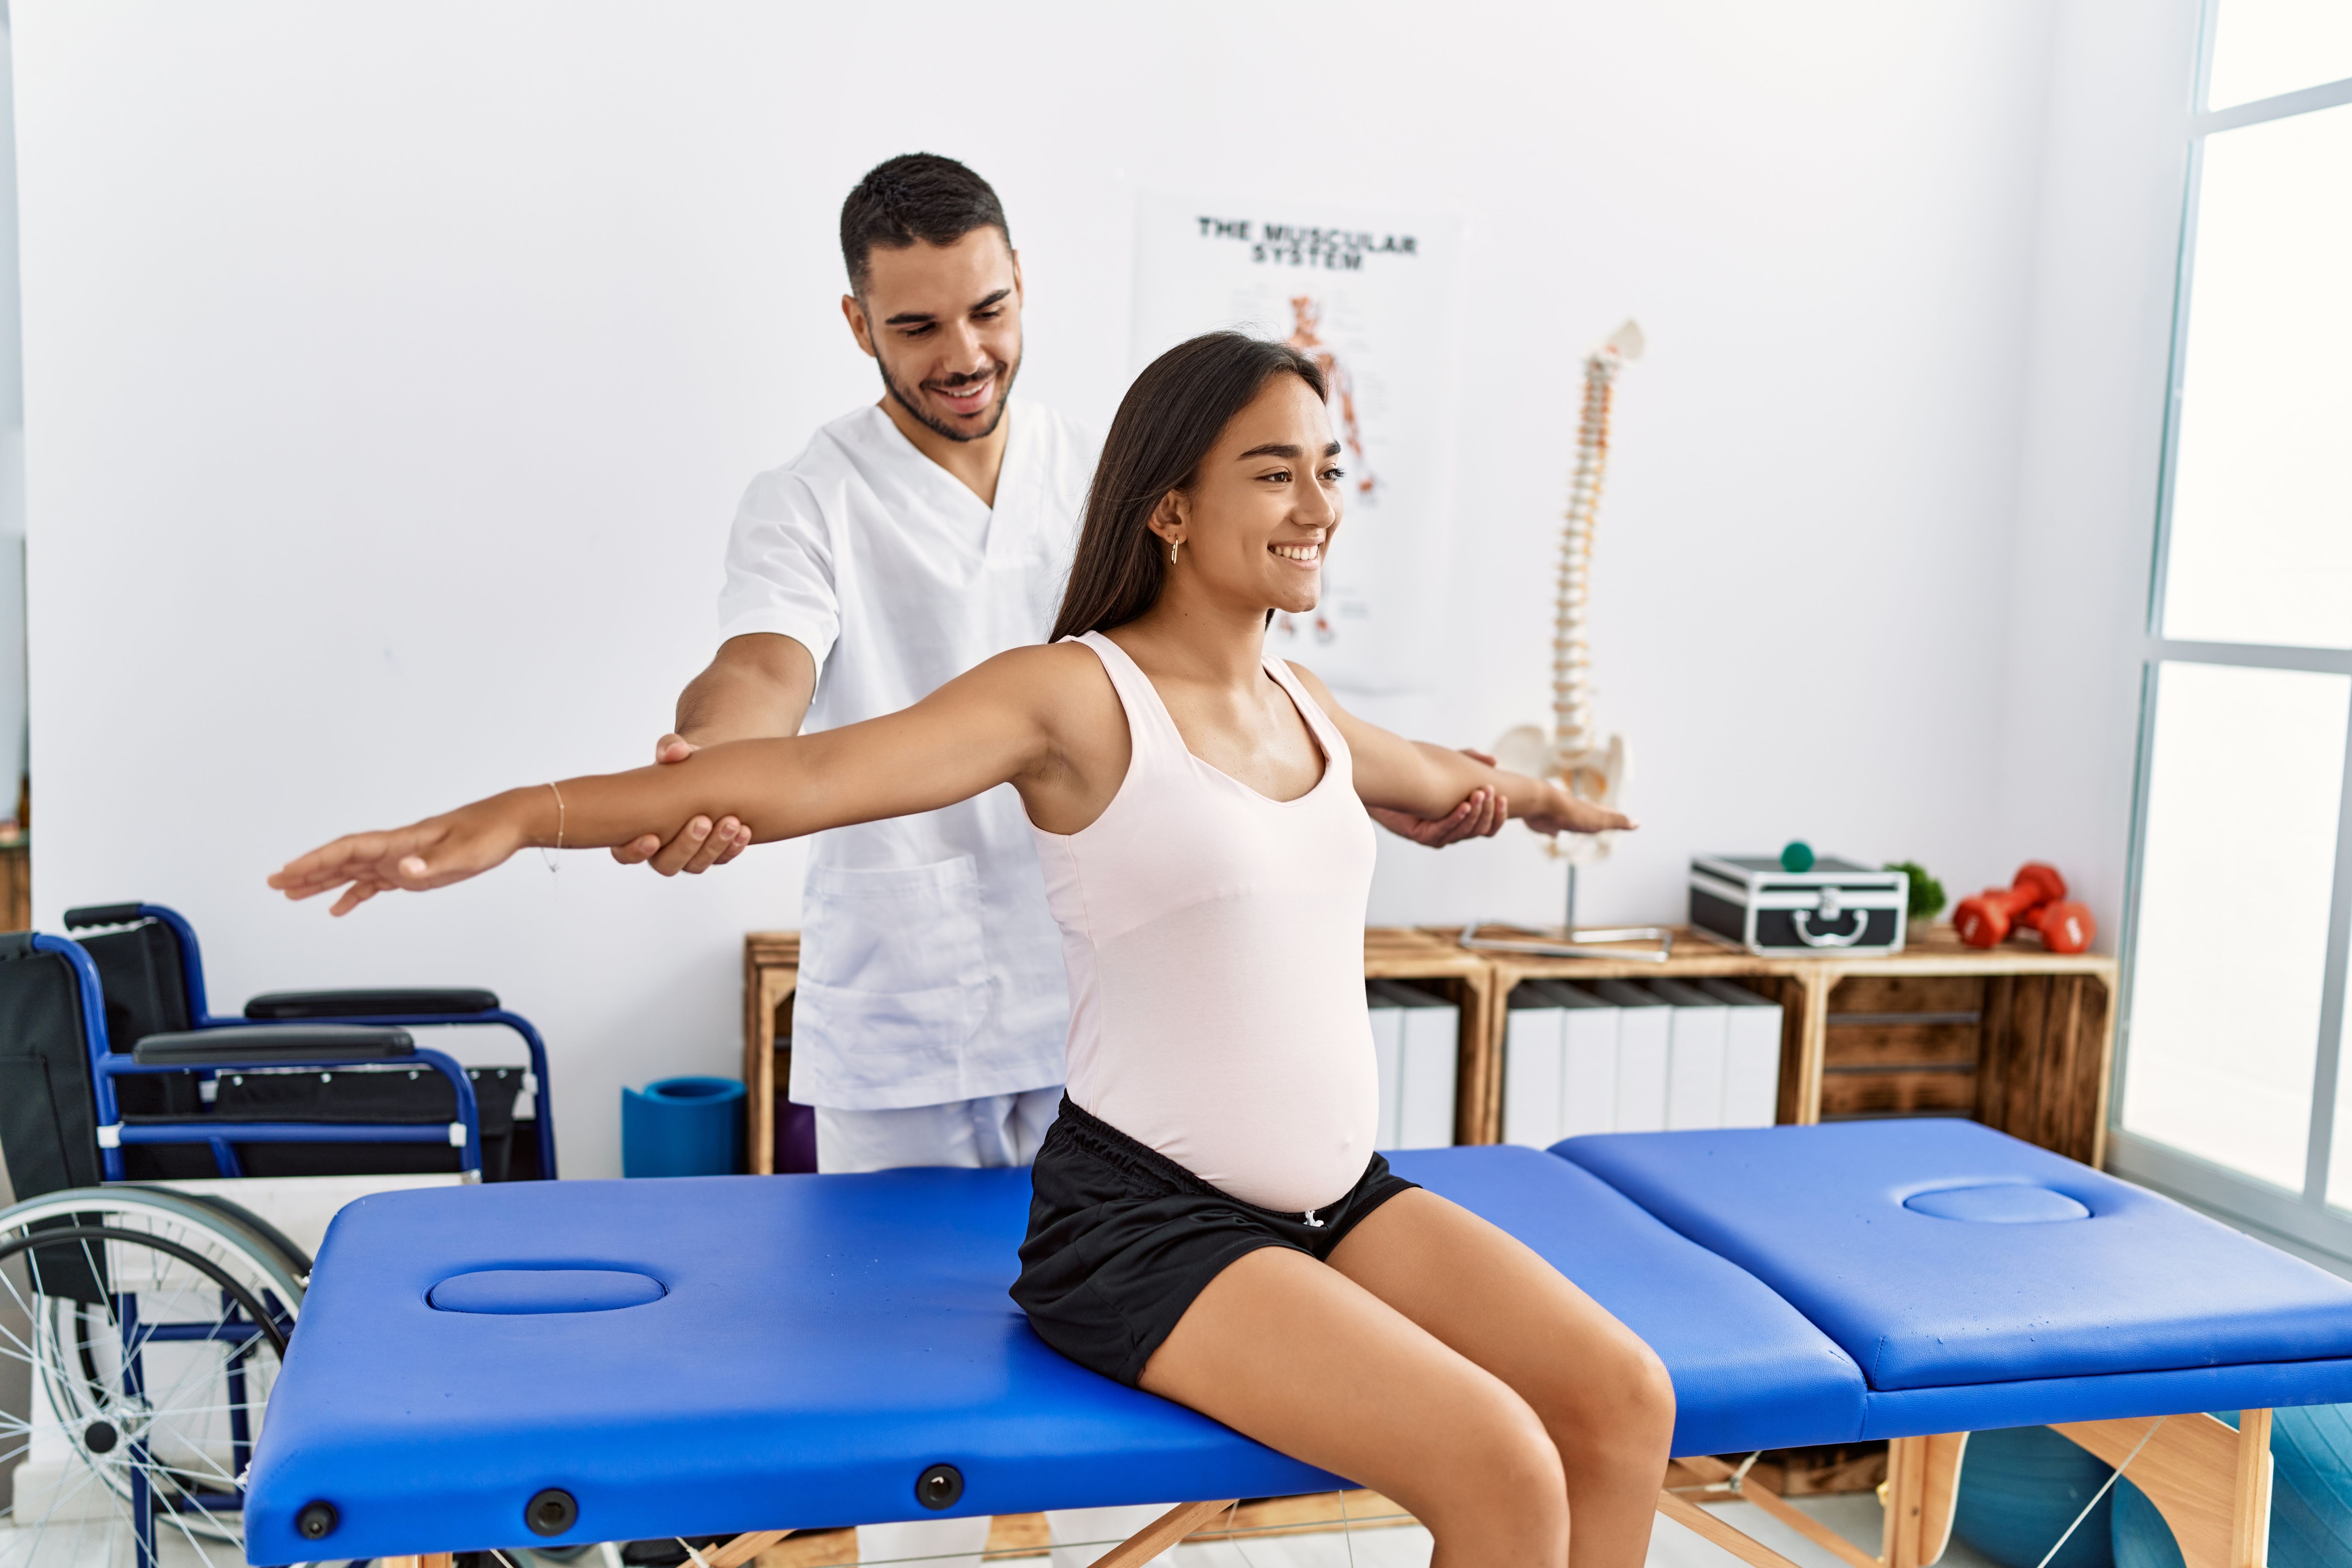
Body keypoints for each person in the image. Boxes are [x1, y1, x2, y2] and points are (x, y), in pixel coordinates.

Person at [273, 330, 1674, 1568]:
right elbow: (814, 775)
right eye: (1273, 472)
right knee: (1499, 1463)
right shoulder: (1075, 695)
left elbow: (1432, 777)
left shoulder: (1305, 703)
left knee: (1622, 1398)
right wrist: (522, 816)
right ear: (1173, 508)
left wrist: (1540, 795)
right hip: (1151, 1233)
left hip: (1339, 1202)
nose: (1317, 506)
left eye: (1326, 469)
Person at [611, 153, 1506, 1181]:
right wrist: (718, 760)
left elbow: (1225, 698)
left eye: (989, 312)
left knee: (1106, 1321)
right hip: (907, 1016)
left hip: (1112, 1004)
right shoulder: (809, 499)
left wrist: (1341, 798)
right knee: (898, 1326)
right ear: (858, 324)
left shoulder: (1111, 474)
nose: (965, 354)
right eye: (916, 328)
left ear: (1023, 284)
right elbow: (761, 668)